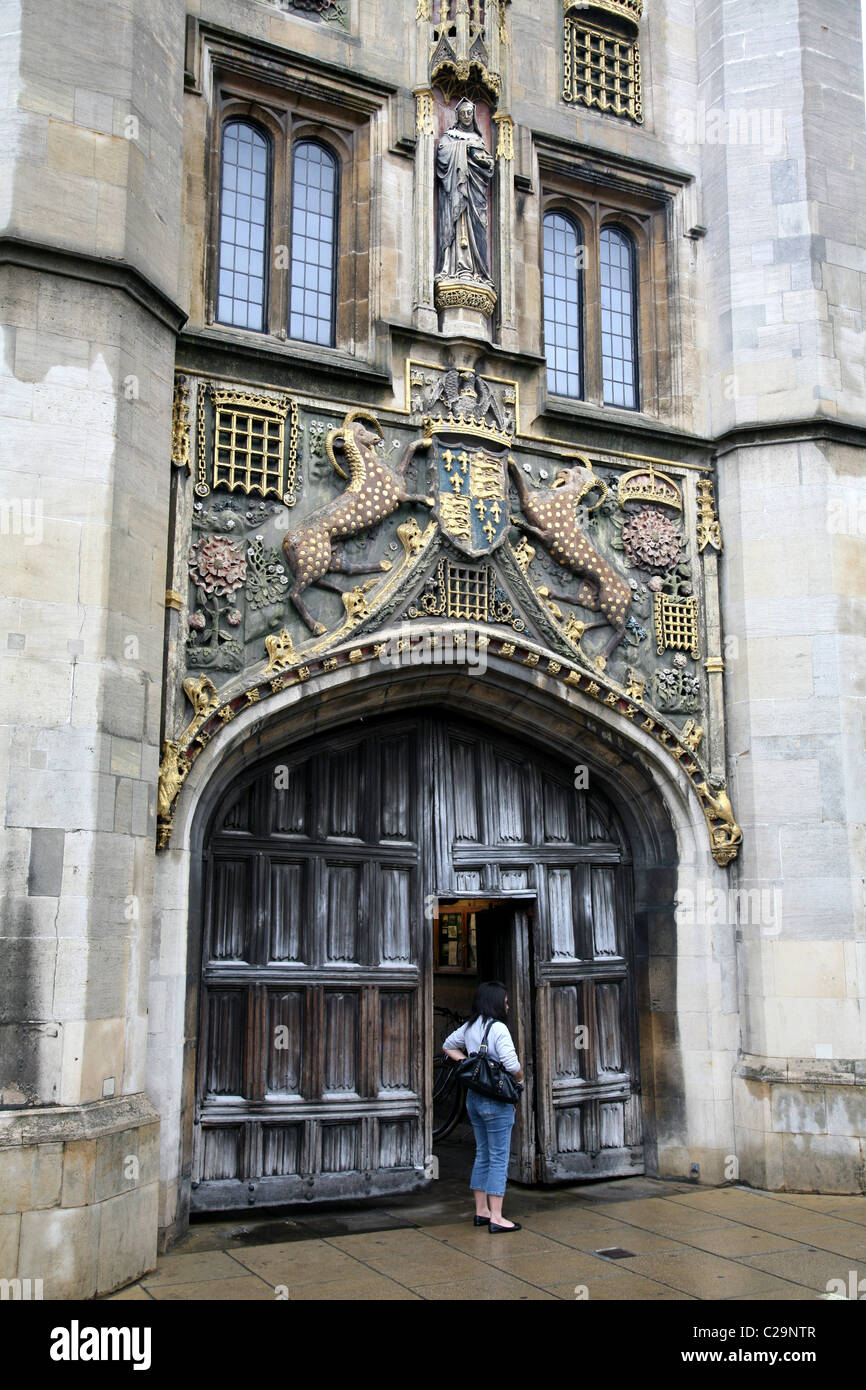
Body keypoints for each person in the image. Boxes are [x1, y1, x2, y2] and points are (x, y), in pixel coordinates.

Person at [441, 980, 524, 1232]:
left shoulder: (470, 1026)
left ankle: (481, 1211)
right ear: (496, 1002)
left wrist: (469, 1063)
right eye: (506, 1002)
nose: (508, 1006)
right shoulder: (498, 1029)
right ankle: (497, 1217)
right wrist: (520, 1079)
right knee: (499, 1157)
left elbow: (447, 1046)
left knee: (482, 1154)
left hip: (474, 1099)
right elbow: (511, 1065)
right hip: (496, 1101)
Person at [435, 98, 495, 283]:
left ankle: (475, 269)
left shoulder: (478, 140)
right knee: (455, 225)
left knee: (475, 227)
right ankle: (453, 268)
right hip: (455, 190)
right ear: (458, 116)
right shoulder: (450, 136)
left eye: (470, 113)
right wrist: (464, 148)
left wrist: (478, 157)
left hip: (475, 194)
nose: (467, 116)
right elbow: (442, 153)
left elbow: (488, 165)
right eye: (463, 113)